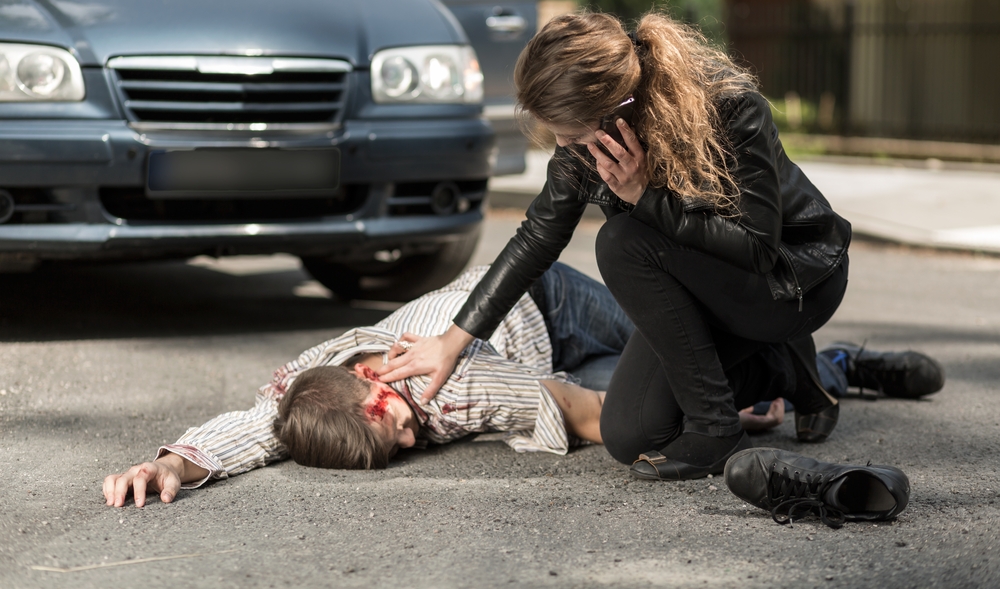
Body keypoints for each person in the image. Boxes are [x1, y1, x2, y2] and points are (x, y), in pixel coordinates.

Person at [373, 10, 855, 482]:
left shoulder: (729, 105)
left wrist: (646, 198)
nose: (562, 144)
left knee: (622, 242)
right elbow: (538, 236)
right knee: (630, 434)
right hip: (706, 288)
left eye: (570, 134)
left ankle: (716, 430)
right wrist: (451, 342)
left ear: (616, 111)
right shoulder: (583, 146)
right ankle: (786, 371)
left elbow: (758, 250)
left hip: (790, 284)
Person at [102, 263, 791, 508]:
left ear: (374, 383)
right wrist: (167, 464)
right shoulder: (319, 382)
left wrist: (704, 410)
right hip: (543, 368)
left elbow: (586, 414)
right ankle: (821, 366)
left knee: (692, 351)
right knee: (683, 374)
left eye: (393, 429)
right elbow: (260, 426)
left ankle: (829, 358)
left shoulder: (439, 387)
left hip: (548, 305)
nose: (409, 439)